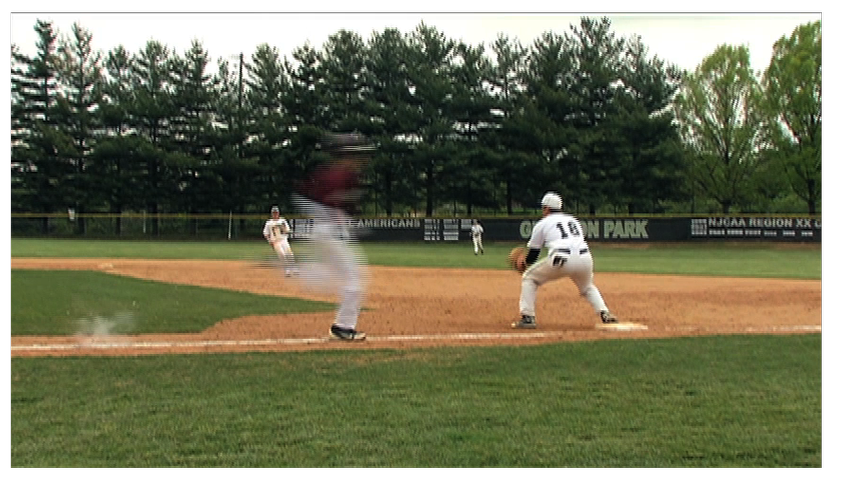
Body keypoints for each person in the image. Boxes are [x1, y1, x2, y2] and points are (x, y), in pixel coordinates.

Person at [292, 132, 373, 341]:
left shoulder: (331, 173)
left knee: (341, 275)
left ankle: (304, 269)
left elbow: (304, 195)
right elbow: (332, 202)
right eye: (357, 154)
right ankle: (343, 327)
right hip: (330, 233)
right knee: (355, 279)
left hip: (324, 232)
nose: (361, 159)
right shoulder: (342, 175)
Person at [511, 191, 619, 329]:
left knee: (529, 278)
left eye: (543, 208)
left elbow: (533, 255)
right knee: (587, 286)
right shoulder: (573, 220)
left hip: (561, 259)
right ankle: (605, 313)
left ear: (547, 209)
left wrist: (524, 263)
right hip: (585, 258)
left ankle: (528, 317)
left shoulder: (543, 223)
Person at [262, 206, 296, 277]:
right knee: (282, 255)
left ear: (278, 213)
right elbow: (265, 233)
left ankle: (294, 268)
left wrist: (285, 229)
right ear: (272, 214)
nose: (275, 214)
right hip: (276, 242)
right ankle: (287, 270)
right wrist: (270, 241)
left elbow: (287, 230)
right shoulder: (269, 223)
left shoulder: (282, 220)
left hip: (284, 240)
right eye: (274, 213)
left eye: (276, 213)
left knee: (290, 254)